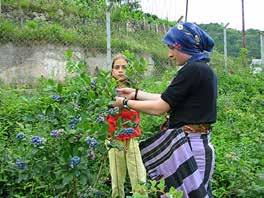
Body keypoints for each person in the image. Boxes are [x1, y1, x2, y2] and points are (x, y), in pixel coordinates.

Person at [113, 22, 217, 198]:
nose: (169, 54)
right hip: (193, 142)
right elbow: (167, 98)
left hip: (191, 145)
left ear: (183, 45)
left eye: (172, 48)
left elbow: (159, 108)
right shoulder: (200, 69)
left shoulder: (192, 70)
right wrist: (136, 94)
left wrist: (124, 103)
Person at [106, 54, 147, 198]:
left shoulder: (134, 91)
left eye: (124, 67)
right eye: (117, 67)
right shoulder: (106, 90)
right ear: (112, 71)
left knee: (138, 176)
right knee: (117, 179)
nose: (120, 70)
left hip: (131, 137)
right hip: (114, 138)